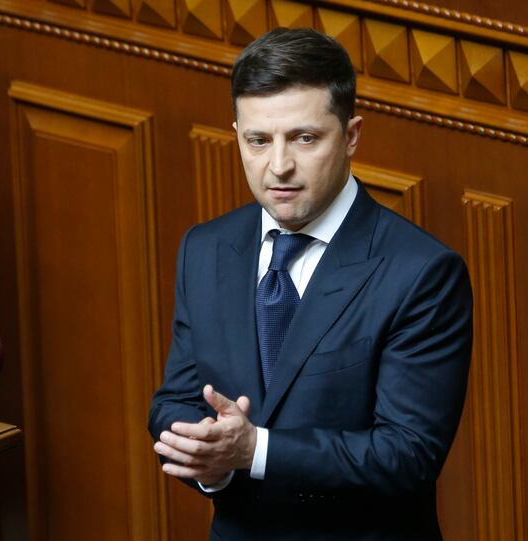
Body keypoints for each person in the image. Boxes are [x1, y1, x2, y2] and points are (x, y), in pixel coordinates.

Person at [148, 27, 473, 541]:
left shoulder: (422, 273)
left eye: (304, 138)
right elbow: (176, 401)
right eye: (258, 141)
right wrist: (209, 458)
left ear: (352, 135)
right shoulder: (205, 249)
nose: (278, 167)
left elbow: (407, 455)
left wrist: (255, 450)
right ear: (236, 135)